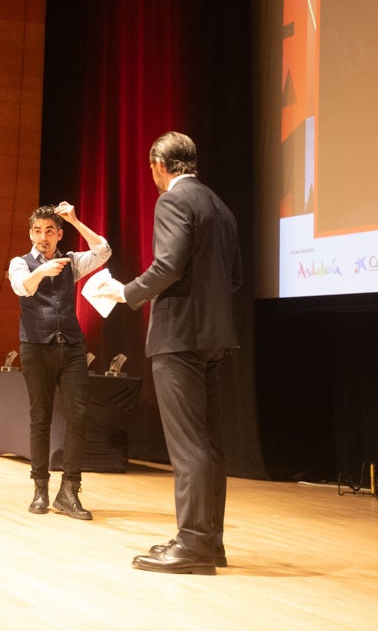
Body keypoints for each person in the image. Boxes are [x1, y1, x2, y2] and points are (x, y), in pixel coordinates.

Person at [94, 131, 241, 575]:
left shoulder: (173, 201)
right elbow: (232, 277)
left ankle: (193, 545)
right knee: (208, 444)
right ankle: (209, 542)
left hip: (179, 335)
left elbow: (169, 265)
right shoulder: (221, 207)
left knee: (189, 444)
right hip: (214, 336)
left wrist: (126, 292)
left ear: (159, 165)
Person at [7, 202, 111, 519]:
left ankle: (69, 491)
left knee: (78, 416)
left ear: (59, 234)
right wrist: (41, 270)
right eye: (37, 231)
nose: (43, 237)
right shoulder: (20, 263)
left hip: (72, 346)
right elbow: (22, 288)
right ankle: (40, 488)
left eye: (49, 231)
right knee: (40, 417)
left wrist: (77, 221)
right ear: (30, 234)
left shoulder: (71, 261)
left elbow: (103, 250)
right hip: (36, 347)